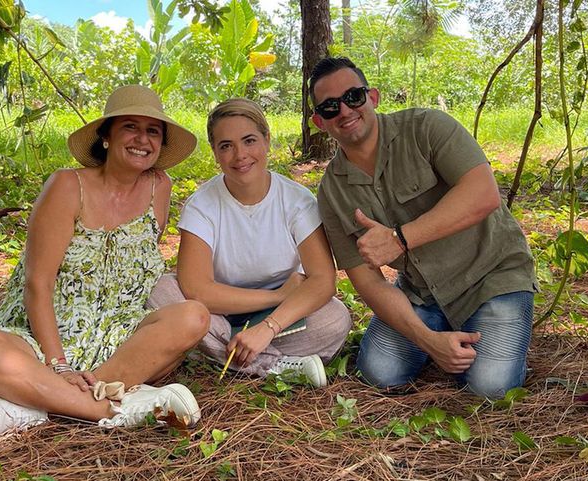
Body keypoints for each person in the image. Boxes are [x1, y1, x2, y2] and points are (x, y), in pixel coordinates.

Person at [0, 85, 210, 441]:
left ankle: (28, 402)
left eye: (153, 131)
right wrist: (58, 365)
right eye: (130, 127)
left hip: (119, 338)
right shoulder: (67, 186)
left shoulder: (159, 187)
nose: (142, 139)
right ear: (106, 136)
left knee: (193, 315)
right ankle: (108, 407)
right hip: (44, 338)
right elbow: (37, 283)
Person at [309, 57, 537, 398]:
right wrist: (426, 338)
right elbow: (367, 282)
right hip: (422, 294)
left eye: (353, 97)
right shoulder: (332, 191)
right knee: (378, 372)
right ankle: (443, 334)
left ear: (372, 97)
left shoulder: (426, 128)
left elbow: (484, 194)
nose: (344, 111)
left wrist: (400, 239)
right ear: (319, 121)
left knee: (490, 388)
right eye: (330, 107)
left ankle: (486, 340)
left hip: (492, 276)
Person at [147, 98, 351, 388]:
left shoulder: (297, 201)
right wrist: (278, 296)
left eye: (249, 140)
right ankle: (274, 366)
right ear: (215, 154)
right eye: (226, 146)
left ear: (267, 140)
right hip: (218, 311)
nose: (240, 155)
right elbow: (196, 288)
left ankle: (223, 354)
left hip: (281, 318)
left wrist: (269, 326)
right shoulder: (202, 206)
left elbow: (322, 282)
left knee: (335, 318)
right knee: (163, 291)